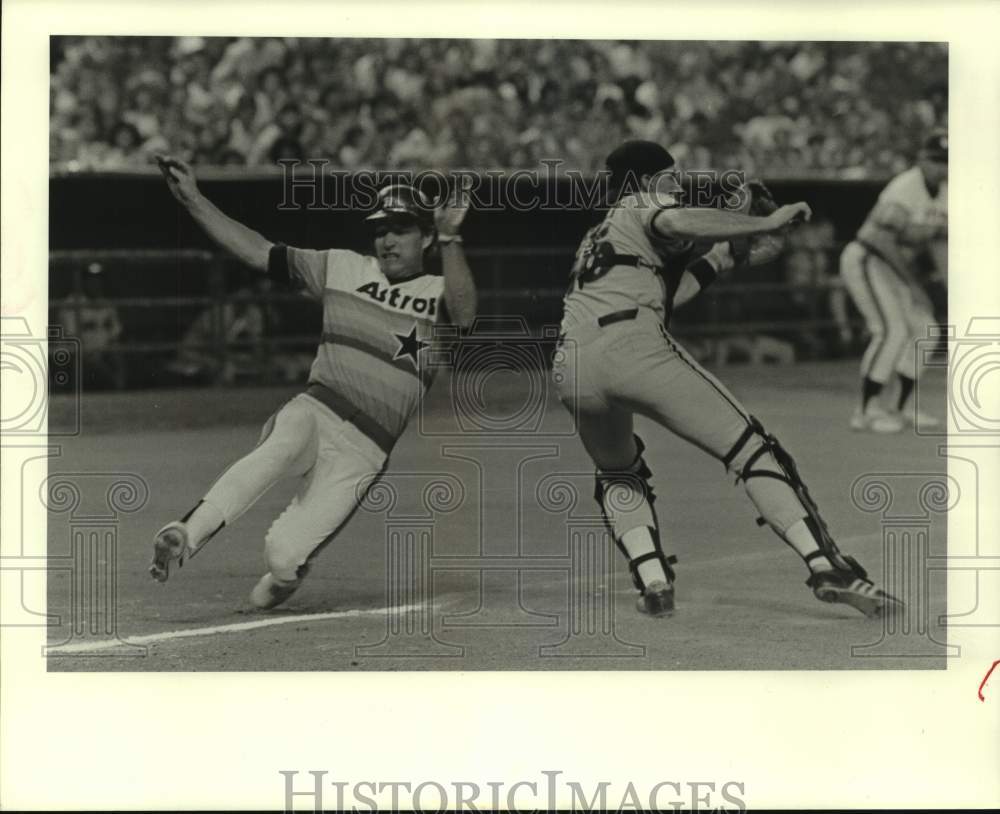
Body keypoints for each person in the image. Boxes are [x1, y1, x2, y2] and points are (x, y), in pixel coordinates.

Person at [552, 139, 902, 619]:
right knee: (753, 449)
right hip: (629, 343)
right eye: (671, 176)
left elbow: (675, 288)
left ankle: (653, 580)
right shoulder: (647, 202)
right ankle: (826, 566)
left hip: (571, 364)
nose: (678, 184)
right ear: (650, 179)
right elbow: (675, 220)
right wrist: (764, 222)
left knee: (617, 470)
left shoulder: (602, 234)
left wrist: (726, 254)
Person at [148, 154, 477, 609]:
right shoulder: (342, 266)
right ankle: (187, 532)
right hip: (318, 409)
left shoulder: (439, 292)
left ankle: (287, 577)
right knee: (279, 445)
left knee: (282, 556)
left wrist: (453, 237)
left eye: (400, 229)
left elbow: (465, 316)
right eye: (380, 229)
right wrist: (194, 200)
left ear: (426, 237)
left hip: (366, 448)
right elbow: (257, 250)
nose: (387, 239)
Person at [839, 131, 947, 432]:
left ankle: (899, 407)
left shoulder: (949, 192)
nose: (943, 167)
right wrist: (913, 286)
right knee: (890, 330)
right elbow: (883, 241)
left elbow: (938, 242)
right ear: (921, 159)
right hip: (867, 258)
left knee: (926, 330)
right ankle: (866, 410)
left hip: (894, 268)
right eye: (936, 160)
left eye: (947, 162)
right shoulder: (904, 188)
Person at [58, 262, 126, 389]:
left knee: (119, 355)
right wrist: (92, 355)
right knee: (94, 366)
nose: (95, 283)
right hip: (78, 355)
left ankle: (120, 390)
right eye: (91, 279)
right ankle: (115, 389)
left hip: (104, 355)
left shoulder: (107, 304)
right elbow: (72, 338)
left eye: (98, 279)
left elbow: (115, 336)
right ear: (83, 282)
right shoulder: (72, 304)